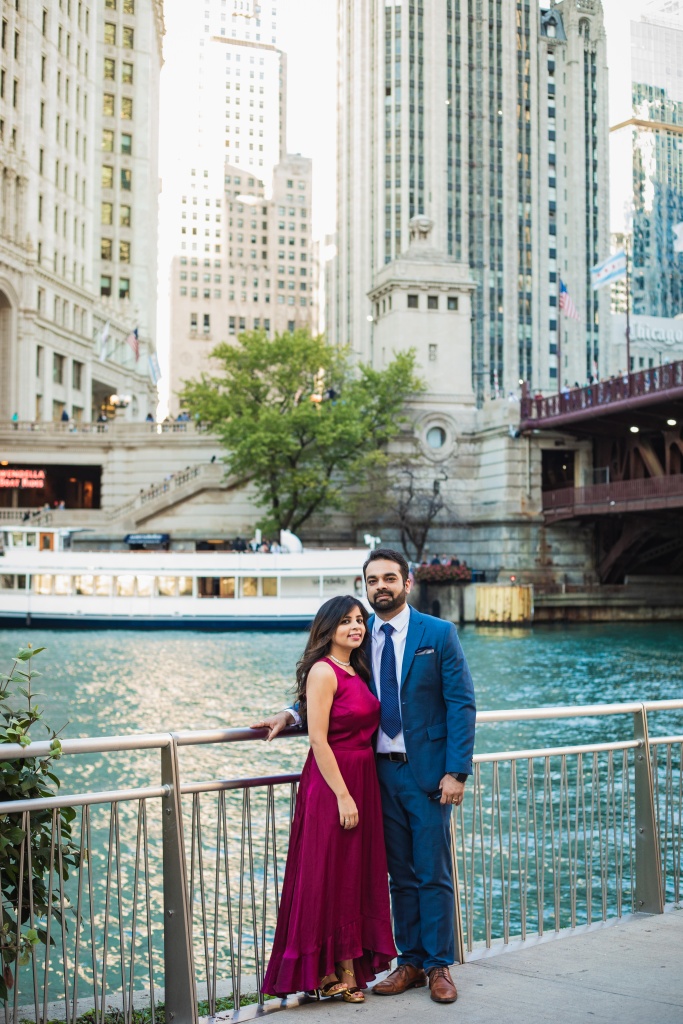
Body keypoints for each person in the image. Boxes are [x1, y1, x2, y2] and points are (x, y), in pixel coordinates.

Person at [253, 548, 476, 1005]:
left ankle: (439, 965)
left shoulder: (439, 633)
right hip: (377, 777)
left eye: (389, 578)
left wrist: (456, 771)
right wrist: (289, 714)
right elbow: (334, 687)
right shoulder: (360, 634)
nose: (381, 587)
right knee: (399, 875)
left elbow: (461, 703)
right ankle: (409, 961)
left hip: (430, 775)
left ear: (407, 582)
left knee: (433, 872)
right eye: (373, 580)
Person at [261, 596, 396, 1000]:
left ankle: (345, 969)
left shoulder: (358, 668)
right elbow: (318, 739)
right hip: (333, 783)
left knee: (351, 876)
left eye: (359, 620)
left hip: (362, 778)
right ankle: (328, 971)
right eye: (346, 622)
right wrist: (343, 795)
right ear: (328, 628)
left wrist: (292, 712)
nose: (356, 627)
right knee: (326, 874)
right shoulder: (323, 671)